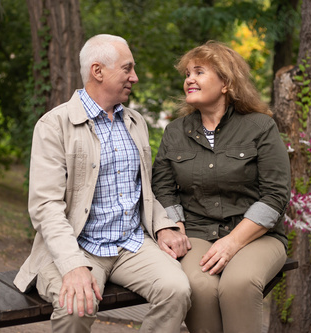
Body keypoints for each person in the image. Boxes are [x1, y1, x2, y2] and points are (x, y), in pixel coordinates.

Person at [14, 34, 191, 333]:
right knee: (76, 307)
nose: (134, 77)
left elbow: (143, 190)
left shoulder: (135, 122)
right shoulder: (54, 125)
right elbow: (46, 207)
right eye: (127, 68)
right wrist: (72, 265)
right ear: (98, 71)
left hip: (131, 246)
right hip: (78, 247)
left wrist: (163, 224)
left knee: (177, 290)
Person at [152, 41, 291, 333]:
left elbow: (275, 195)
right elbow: (163, 189)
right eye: (187, 73)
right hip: (198, 232)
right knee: (198, 286)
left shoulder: (260, 127)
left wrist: (232, 242)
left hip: (257, 235)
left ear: (226, 82)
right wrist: (175, 229)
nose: (189, 79)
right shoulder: (175, 132)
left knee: (238, 284)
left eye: (199, 72)